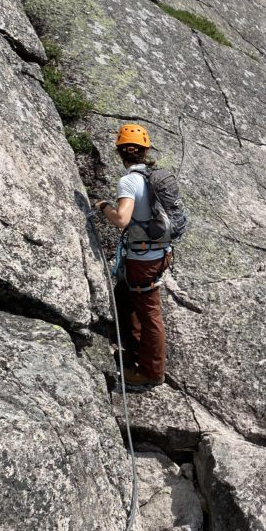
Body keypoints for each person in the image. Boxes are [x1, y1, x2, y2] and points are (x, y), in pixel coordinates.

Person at [95, 123, 172, 387]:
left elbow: (122, 219)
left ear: (120, 152)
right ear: (145, 150)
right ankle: (133, 353)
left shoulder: (129, 180)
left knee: (150, 314)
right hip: (161, 253)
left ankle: (151, 373)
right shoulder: (157, 176)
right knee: (125, 299)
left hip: (143, 259)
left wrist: (104, 206)